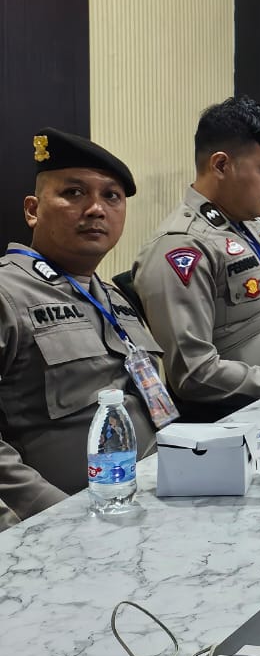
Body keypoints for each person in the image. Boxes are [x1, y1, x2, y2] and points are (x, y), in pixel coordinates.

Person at [133, 97, 260, 413]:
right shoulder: (181, 248)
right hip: (247, 411)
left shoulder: (251, 225)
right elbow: (194, 375)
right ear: (220, 165)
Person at [0, 129, 166, 522]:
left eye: (112, 196)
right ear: (33, 210)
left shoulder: (114, 298)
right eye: (74, 193)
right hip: (66, 523)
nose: (96, 209)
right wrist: (55, 516)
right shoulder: (7, 293)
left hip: (152, 499)